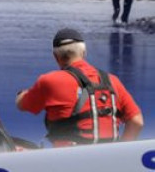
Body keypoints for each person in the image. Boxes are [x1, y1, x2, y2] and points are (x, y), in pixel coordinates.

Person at [15, 28, 143, 147]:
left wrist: (21, 95)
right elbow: (137, 122)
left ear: (56, 57)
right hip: (108, 159)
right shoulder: (112, 81)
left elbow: (22, 105)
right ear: (84, 53)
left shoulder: (49, 81)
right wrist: (119, 151)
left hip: (68, 162)